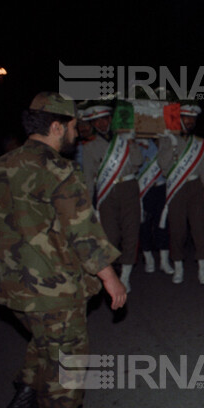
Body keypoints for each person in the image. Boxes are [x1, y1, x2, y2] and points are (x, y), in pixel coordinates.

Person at [0, 92, 127, 408]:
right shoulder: (60, 170)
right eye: (74, 127)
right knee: (67, 352)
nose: (77, 134)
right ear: (55, 126)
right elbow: (83, 231)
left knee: (44, 345)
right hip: (53, 286)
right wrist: (110, 278)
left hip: (12, 286)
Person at [80, 103, 143, 292]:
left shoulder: (124, 140)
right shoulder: (89, 147)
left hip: (128, 187)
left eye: (103, 119)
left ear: (110, 120)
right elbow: (89, 176)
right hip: (106, 193)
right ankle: (113, 273)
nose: (100, 124)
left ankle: (126, 275)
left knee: (131, 232)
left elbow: (138, 162)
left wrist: (131, 143)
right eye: (96, 121)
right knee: (110, 236)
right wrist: (90, 204)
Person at [158, 104, 204, 285]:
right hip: (176, 187)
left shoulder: (199, 142)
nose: (189, 122)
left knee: (199, 229)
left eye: (192, 119)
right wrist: (171, 148)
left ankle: (202, 269)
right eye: (186, 118)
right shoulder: (168, 139)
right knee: (177, 229)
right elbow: (164, 168)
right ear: (179, 118)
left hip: (195, 186)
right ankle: (178, 267)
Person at [135, 136, 173, 276]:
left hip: (162, 187)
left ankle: (164, 261)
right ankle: (148, 258)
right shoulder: (137, 141)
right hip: (144, 188)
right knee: (144, 224)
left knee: (162, 223)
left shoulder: (165, 139)